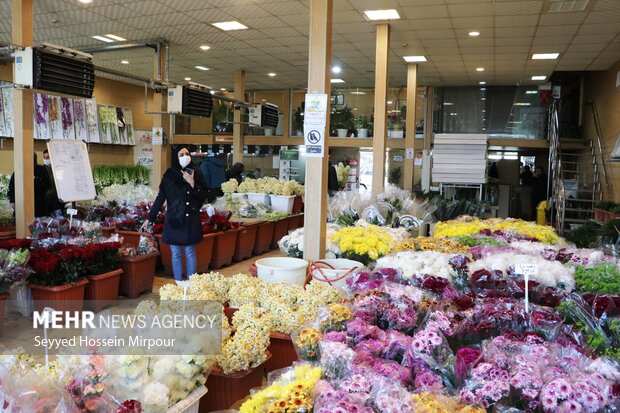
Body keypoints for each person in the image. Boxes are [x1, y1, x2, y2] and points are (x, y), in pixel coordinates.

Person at [141, 147, 208, 281]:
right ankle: (178, 284)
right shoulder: (169, 175)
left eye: (187, 154)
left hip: (190, 219)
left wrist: (192, 183)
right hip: (174, 219)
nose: (185, 156)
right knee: (176, 253)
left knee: (190, 253)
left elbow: (204, 196)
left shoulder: (196, 172)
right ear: (175, 157)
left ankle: (191, 284)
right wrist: (150, 218)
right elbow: (161, 197)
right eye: (181, 154)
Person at [8, 153, 52, 217]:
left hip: (38, 205)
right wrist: (12, 200)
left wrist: (34, 180)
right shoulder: (18, 171)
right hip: (21, 204)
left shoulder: (41, 169)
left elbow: (47, 185)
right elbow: (11, 187)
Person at [41, 149, 63, 217]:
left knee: (59, 218)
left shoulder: (57, 168)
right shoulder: (41, 169)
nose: (45, 159)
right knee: (47, 218)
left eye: (47, 157)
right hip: (46, 199)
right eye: (44, 157)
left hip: (56, 198)